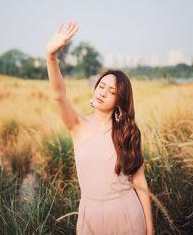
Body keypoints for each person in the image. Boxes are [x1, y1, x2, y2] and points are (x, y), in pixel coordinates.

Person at [45, 21, 154, 235]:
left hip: (126, 213)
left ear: (119, 100)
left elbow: (139, 181)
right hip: (91, 215)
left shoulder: (128, 133)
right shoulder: (77, 126)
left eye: (111, 91)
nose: (103, 92)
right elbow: (59, 95)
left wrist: (150, 229)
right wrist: (51, 58)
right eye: (101, 86)